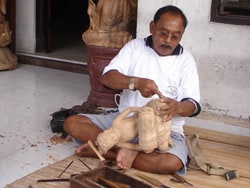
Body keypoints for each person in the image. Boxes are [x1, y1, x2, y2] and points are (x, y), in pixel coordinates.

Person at [64, 5, 201, 176]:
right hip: (125, 122)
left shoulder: (186, 61)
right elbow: (107, 78)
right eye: (163, 33)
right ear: (152, 27)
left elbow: (194, 105)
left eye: (175, 36)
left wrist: (178, 107)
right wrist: (134, 83)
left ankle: (108, 151)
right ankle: (128, 151)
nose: (168, 41)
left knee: (171, 163)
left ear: (182, 35)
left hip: (164, 129)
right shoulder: (135, 47)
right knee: (72, 123)